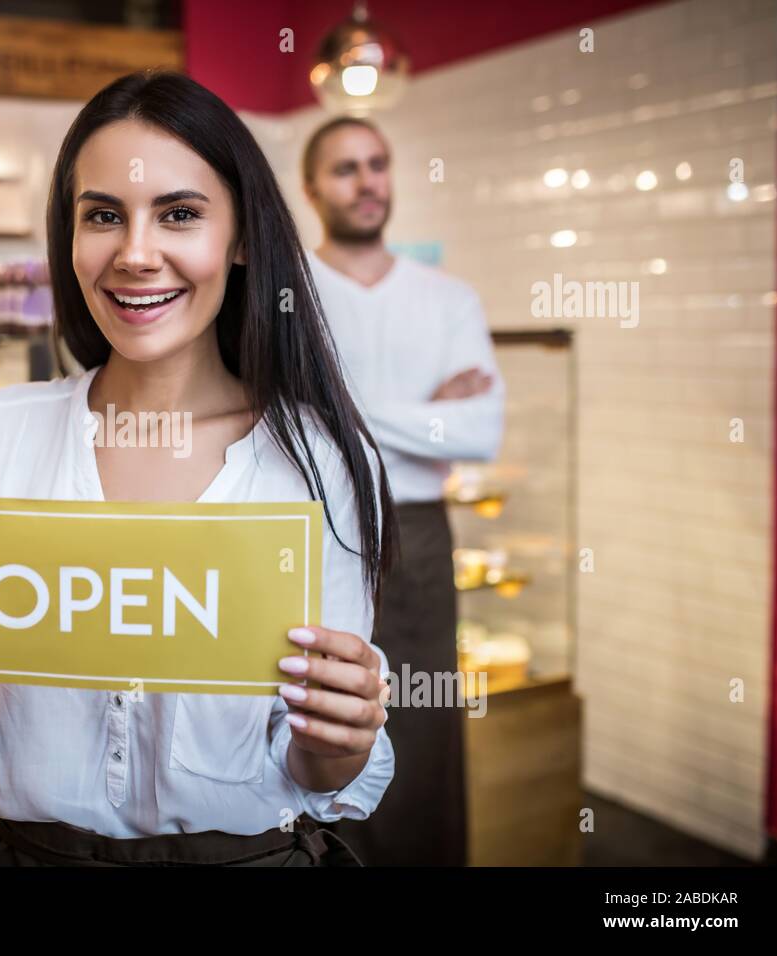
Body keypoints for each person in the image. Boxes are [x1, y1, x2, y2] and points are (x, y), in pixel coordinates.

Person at [0, 70, 398, 867]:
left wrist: (342, 742)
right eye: (103, 215)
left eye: (179, 214)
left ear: (242, 238)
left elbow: (310, 769)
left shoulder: (319, 461)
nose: (136, 255)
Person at [302, 116, 505, 866]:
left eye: (377, 164)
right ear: (311, 186)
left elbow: (480, 429)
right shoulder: (288, 291)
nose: (366, 182)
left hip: (417, 537)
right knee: (319, 717)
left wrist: (335, 406)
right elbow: (276, 420)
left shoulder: (447, 298)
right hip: (314, 525)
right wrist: (426, 412)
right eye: (346, 168)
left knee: (421, 721)